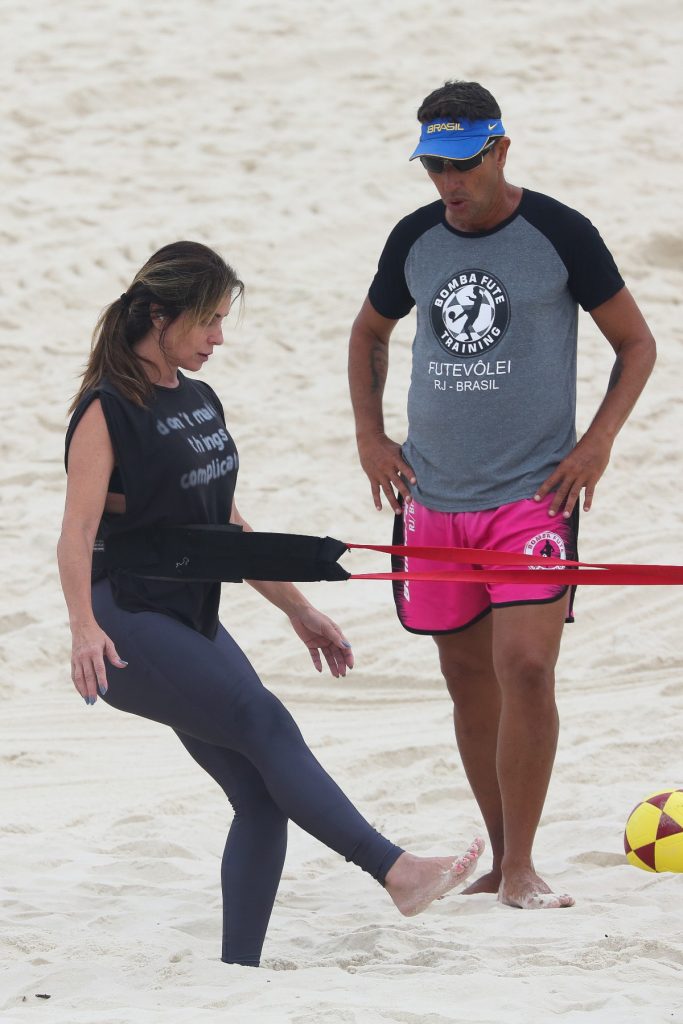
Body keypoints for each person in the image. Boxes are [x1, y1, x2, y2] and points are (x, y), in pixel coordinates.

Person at [57, 240, 483, 968]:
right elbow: (75, 534)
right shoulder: (107, 410)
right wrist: (83, 629)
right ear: (159, 316)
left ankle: (238, 975)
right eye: (208, 321)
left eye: (222, 320)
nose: (219, 337)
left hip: (186, 616)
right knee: (263, 720)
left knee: (259, 794)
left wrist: (297, 610)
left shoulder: (196, 398)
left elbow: (225, 527)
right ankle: (395, 870)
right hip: (125, 622)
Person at [348, 82, 656, 909]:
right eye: (433, 166)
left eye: (462, 163)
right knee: (465, 677)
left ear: (500, 151)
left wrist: (595, 444)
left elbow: (635, 344)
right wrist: (371, 438)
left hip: (531, 496)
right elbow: (369, 331)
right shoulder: (414, 239)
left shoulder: (559, 233)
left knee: (523, 667)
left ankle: (520, 862)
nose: (448, 182)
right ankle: (498, 859)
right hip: (434, 498)